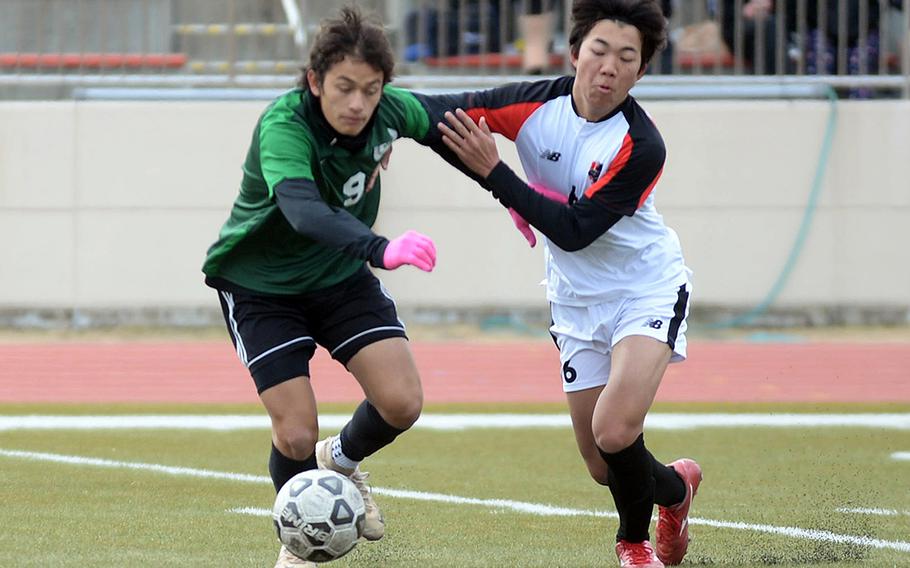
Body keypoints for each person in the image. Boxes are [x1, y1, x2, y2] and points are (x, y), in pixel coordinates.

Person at [432, 1, 702, 566]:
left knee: (615, 426)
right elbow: (444, 115)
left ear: (641, 72)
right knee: (603, 464)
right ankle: (674, 492)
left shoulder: (642, 144)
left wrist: (498, 177)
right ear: (575, 52)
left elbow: (576, 231)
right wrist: (379, 130)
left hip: (644, 288)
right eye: (599, 51)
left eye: (626, 58)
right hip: (575, 300)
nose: (609, 66)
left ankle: (633, 545)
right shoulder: (536, 104)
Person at [201, 7, 447, 568]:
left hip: (337, 278)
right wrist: (380, 247)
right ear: (315, 81)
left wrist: (515, 196)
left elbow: (464, 117)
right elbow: (304, 211)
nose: (359, 102)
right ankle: (300, 548)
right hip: (261, 285)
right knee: (293, 435)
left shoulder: (390, 111)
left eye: (371, 89)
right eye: (344, 87)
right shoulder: (284, 123)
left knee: (403, 402)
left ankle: (339, 460)